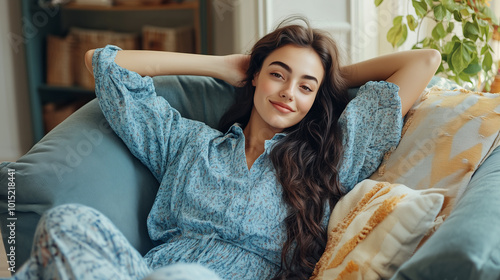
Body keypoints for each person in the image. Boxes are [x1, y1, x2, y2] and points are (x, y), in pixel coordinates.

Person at [8, 18, 440, 280]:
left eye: (305, 87)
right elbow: (103, 63)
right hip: (144, 271)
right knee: (66, 221)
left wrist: (328, 78)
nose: (289, 92)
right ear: (254, 75)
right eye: (277, 74)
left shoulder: (331, 155)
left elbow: (424, 61)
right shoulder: (189, 143)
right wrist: (218, 65)